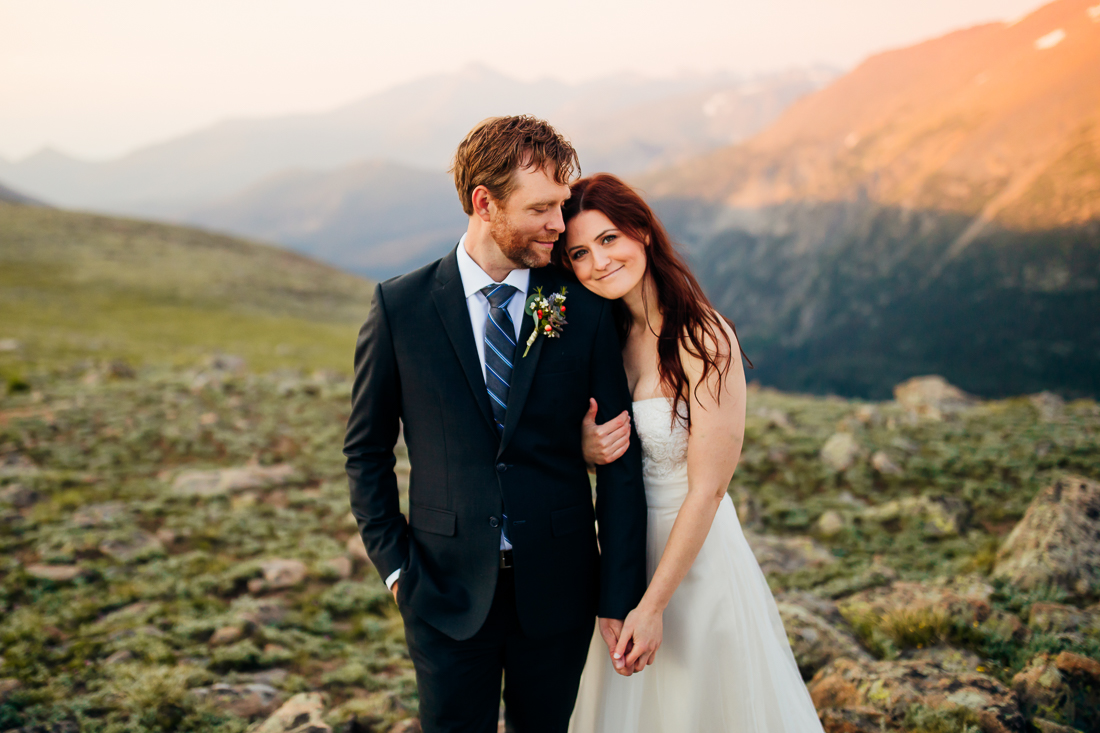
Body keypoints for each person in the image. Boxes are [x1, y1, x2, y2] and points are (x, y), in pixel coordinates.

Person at [344, 118, 649, 733]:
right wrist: (398, 568)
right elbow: (366, 450)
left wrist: (619, 595)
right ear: (485, 203)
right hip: (443, 593)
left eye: (561, 207)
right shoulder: (399, 308)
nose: (560, 227)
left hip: (560, 591)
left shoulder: (581, 306)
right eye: (542, 209)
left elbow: (621, 462)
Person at [559, 174, 826, 733]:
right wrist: (585, 448)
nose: (599, 262)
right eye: (580, 253)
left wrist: (652, 606)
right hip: (625, 552)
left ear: (642, 233)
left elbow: (708, 488)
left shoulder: (705, 338)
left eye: (609, 239)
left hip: (696, 558)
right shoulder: (604, 336)